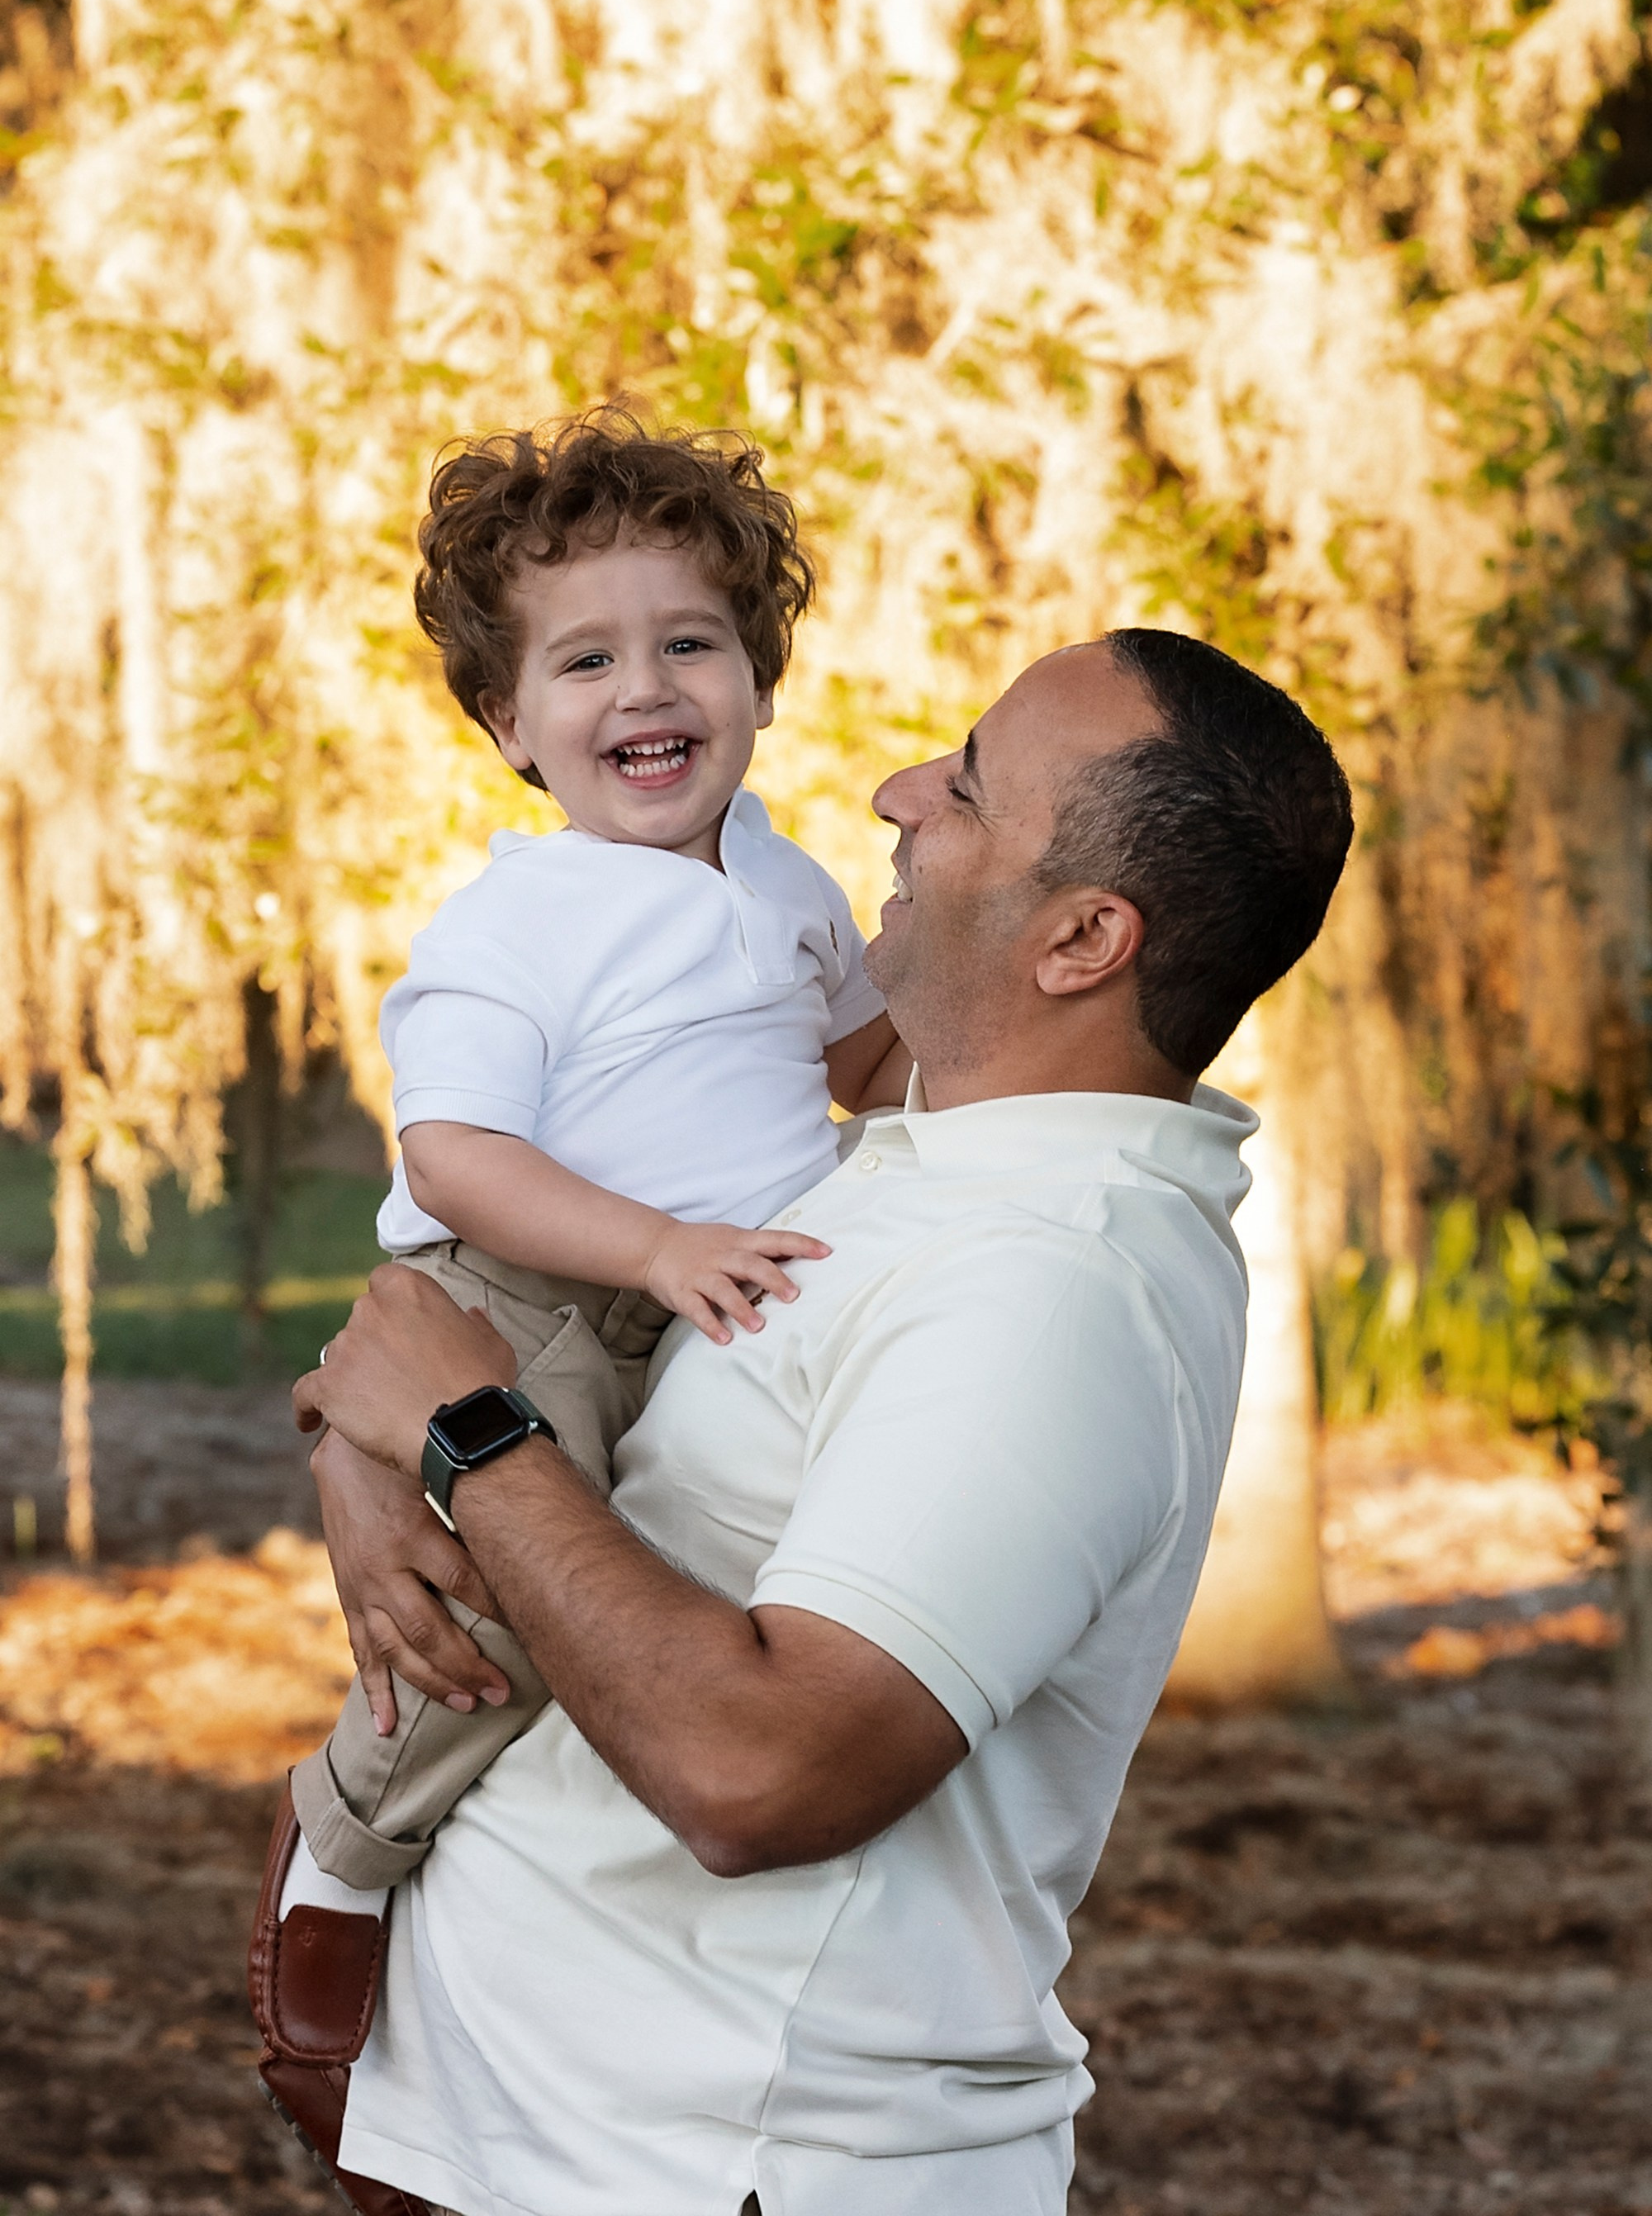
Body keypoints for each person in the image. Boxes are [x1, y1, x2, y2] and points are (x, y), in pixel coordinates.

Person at [286, 627, 1354, 2216]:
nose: (894, 792)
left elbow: (763, 1774)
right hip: (554, 2145)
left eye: (968, 789)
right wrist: (363, 1450)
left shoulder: (1048, 1288)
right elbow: (489, 1336)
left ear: (1082, 940)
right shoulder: (917, 1167)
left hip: (718, 2169)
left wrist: (466, 1440)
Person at [282, 410, 908, 1929]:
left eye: (691, 645)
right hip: (526, 1296)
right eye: (585, 663)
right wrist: (654, 1248)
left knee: (675, 1592)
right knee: (502, 1595)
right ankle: (342, 1854)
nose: (646, 688)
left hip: (705, 1303)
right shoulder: (521, 920)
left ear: (760, 682)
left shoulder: (790, 879)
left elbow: (871, 1067)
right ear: (510, 726)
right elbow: (452, 1155)